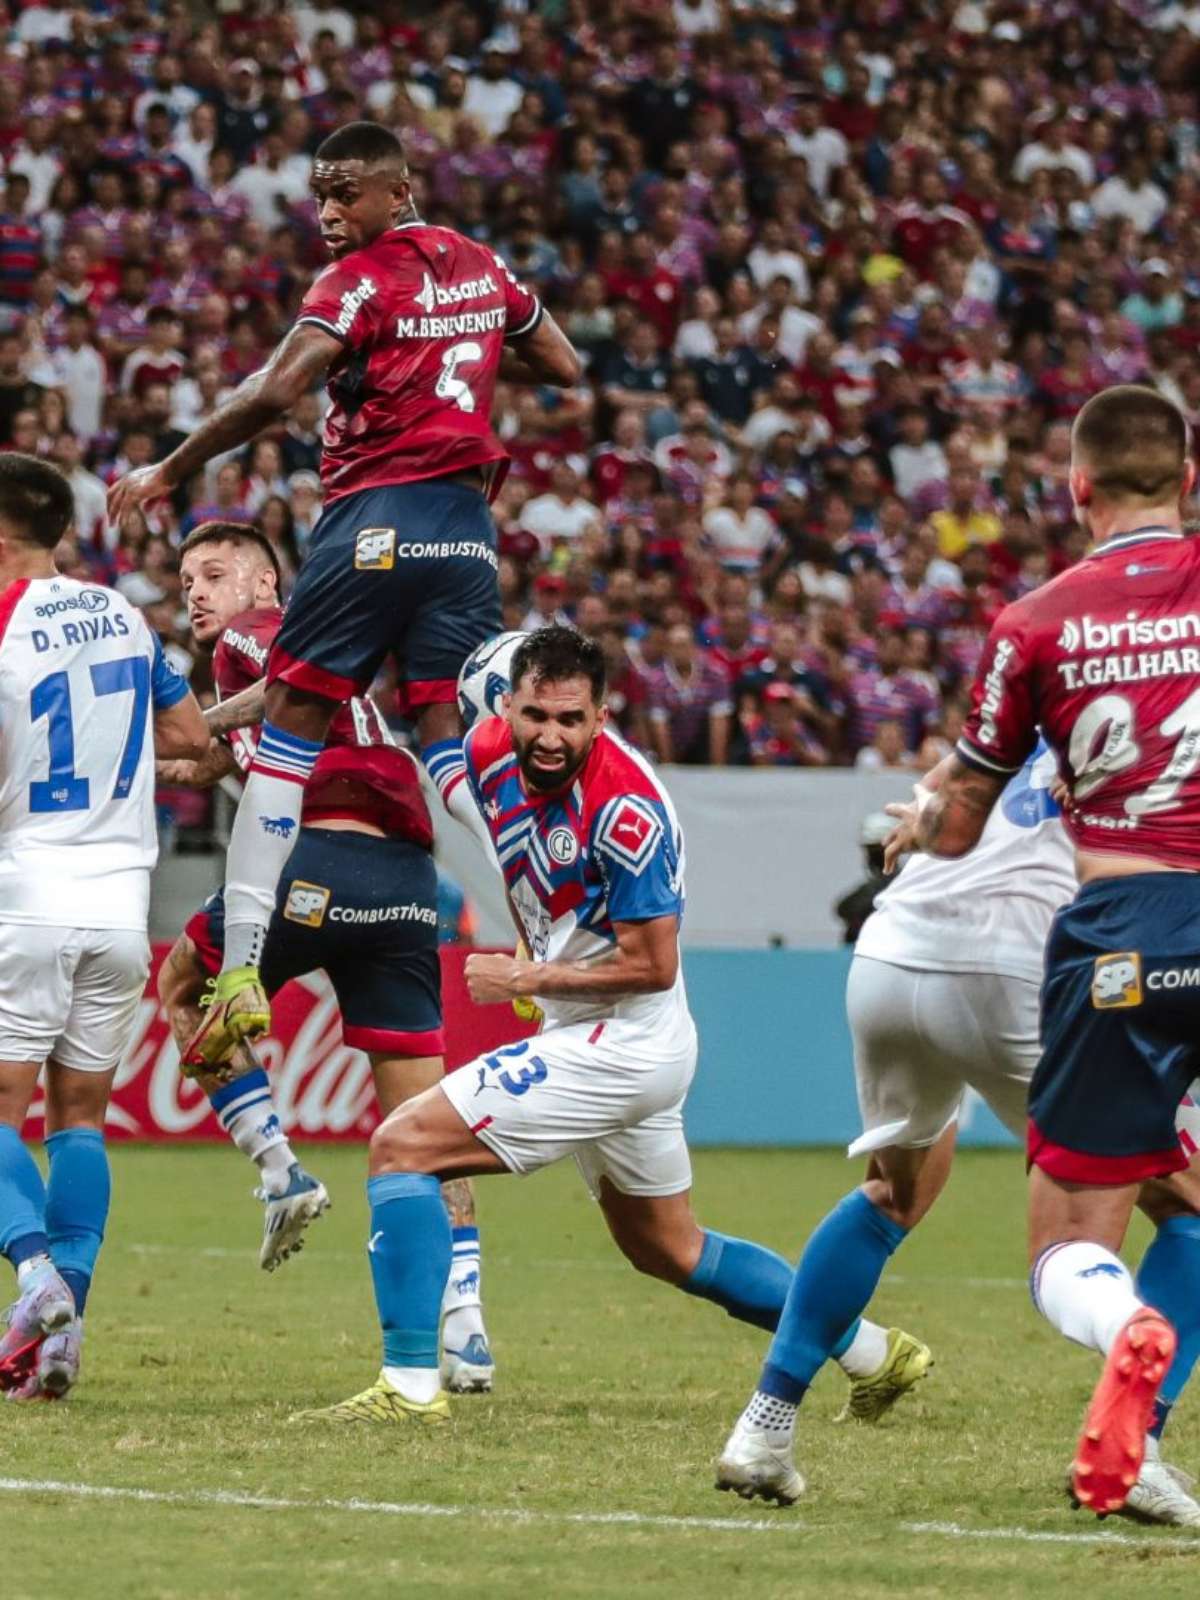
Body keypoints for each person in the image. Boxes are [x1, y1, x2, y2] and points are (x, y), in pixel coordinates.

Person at [295, 628, 907, 1422]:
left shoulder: (628, 812)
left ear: (601, 717)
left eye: (571, 721)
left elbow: (653, 964)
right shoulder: (488, 750)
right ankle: (874, 1353)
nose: (551, 737)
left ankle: (411, 1384)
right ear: (506, 708)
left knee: (402, 1146)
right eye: (536, 716)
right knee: (666, 1247)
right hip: (589, 1027)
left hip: (626, 1036)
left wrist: (529, 974)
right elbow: (492, 823)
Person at [107, 120, 580, 1073]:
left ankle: (241, 968)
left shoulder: (357, 279)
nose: (328, 211)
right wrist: (468, 350)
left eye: (345, 192)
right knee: (450, 739)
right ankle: (554, 938)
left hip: (374, 518)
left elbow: (277, 391)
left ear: (395, 191)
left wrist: (171, 466)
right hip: (465, 533)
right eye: (319, 193)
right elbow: (563, 365)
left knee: (288, 725)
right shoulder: (482, 266)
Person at [719, 738, 1200, 1524]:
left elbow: (948, 789)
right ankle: (1138, 1444)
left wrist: (927, 816)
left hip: (893, 952)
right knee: (1180, 1205)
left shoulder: (1059, 709)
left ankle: (763, 1432)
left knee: (892, 1190)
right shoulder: (1169, 737)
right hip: (1023, 977)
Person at [869, 384, 1200, 1519]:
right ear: (1190, 484)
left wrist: (920, 821)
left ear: (1078, 490)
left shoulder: (1037, 622)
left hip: (1123, 934)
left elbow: (960, 819)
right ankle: (1145, 1442)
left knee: (1068, 1241)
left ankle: (1128, 1326)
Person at [156, 520, 495, 1389]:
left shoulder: (263, 636)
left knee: (184, 982)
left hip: (317, 859)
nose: (197, 590)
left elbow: (266, 691)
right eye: (186, 577)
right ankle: (466, 1324)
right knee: (422, 1123)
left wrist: (187, 717)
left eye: (217, 573)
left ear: (266, 587)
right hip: (406, 881)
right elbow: (198, 762)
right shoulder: (320, 670)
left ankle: (280, 1173)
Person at [0, 453, 206, 1400]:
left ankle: (35, 1276)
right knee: (79, 1119)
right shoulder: (124, 614)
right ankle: (60, 1339)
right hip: (123, 906)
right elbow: (191, 738)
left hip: (26, 893)